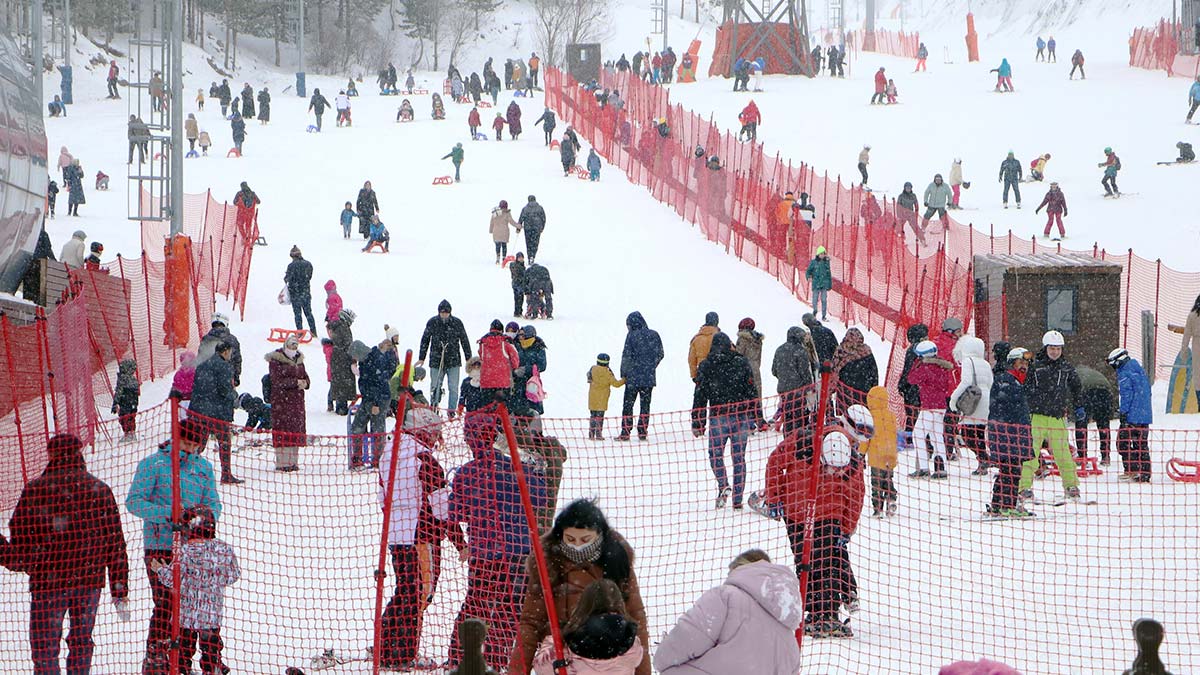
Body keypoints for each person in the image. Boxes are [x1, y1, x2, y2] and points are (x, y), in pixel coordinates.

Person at [8, 434, 130, 675]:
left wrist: (26, 556)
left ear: (51, 455)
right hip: (89, 580)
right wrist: (119, 587)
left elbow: (19, 540)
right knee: (82, 640)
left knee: (45, 646)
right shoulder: (99, 489)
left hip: (47, 581)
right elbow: (115, 541)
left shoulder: (35, 490)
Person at [447, 416, 547, 669]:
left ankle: (459, 656)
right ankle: (496, 658)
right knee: (508, 607)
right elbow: (540, 499)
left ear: (469, 440)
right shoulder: (517, 467)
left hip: (484, 552)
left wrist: (465, 540)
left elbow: (454, 514)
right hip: (517, 551)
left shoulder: (466, 473)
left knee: (476, 604)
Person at [511, 499, 650, 674]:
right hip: (563, 659)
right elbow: (531, 623)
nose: (577, 546)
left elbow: (636, 616)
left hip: (610, 657)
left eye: (585, 539)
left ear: (599, 534)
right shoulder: (547, 564)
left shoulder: (616, 561)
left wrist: (643, 672)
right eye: (570, 539)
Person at [126, 418, 222, 669]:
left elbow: (214, 503)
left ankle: (186, 657)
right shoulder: (153, 464)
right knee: (166, 601)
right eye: (185, 443)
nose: (190, 450)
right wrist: (168, 514)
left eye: (194, 445)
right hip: (160, 544)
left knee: (193, 603)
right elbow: (134, 501)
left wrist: (201, 518)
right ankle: (157, 652)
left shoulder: (203, 468)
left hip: (195, 548)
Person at [759, 426, 864, 638]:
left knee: (827, 561)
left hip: (829, 514)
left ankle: (828, 612)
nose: (833, 473)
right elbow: (775, 464)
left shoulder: (853, 462)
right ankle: (813, 611)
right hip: (797, 512)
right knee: (804, 561)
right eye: (829, 468)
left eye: (838, 470)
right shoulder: (802, 442)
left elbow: (855, 496)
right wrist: (773, 498)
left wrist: (846, 528)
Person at [654, 549, 800, 674]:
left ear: (739, 570)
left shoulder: (726, 597)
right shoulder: (789, 639)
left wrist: (661, 662)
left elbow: (686, 638)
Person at [152, 504, 239, 675]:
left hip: (187, 615)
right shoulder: (224, 549)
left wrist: (160, 569)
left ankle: (182, 669)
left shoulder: (185, 551)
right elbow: (233, 575)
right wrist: (216, 580)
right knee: (211, 645)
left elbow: (172, 579)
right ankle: (212, 666)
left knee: (184, 647)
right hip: (212, 613)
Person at [1020, 330, 1083, 503]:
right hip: (1037, 416)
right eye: (1052, 348)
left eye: (1058, 348)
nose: (1055, 352)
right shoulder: (1036, 366)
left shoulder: (1066, 368)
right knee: (1030, 454)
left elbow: (1076, 388)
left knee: (1063, 454)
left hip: (1057, 417)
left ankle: (1071, 485)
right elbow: (1025, 388)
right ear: (1045, 348)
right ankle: (1024, 487)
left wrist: (1079, 406)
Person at [697, 332, 758, 509]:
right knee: (739, 457)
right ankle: (737, 499)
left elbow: (700, 394)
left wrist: (698, 421)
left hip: (718, 415)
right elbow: (751, 390)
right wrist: (756, 416)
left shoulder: (707, 365)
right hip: (741, 415)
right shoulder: (741, 362)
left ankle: (723, 484)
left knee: (715, 454)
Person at [531, 579, 643, 675]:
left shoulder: (569, 642)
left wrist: (551, 642)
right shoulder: (631, 641)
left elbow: (541, 667)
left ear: (584, 604)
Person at [987, 346, 1035, 516]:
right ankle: (1007, 505)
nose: (1024, 366)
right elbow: (1006, 410)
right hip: (1007, 435)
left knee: (1009, 469)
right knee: (1011, 470)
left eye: (1026, 363)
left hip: (1014, 435)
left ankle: (998, 504)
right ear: (1011, 363)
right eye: (1020, 362)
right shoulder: (1006, 381)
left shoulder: (1016, 381)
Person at [190, 339, 243, 485]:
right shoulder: (224, 366)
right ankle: (226, 474)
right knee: (224, 441)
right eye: (230, 352)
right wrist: (235, 397)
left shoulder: (202, 363)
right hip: (217, 412)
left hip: (199, 410)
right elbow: (224, 389)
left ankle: (185, 469)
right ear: (225, 351)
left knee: (199, 443)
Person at [350, 328, 397, 469]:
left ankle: (377, 462)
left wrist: (376, 404)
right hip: (367, 399)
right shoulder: (366, 361)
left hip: (379, 400)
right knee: (357, 427)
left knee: (377, 430)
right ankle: (357, 459)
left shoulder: (375, 360)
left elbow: (379, 383)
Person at [417, 300, 473, 414]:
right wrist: (422, 357)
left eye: (446, 313)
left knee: (453, 387)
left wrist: (469, 358)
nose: (444, 315)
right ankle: (434, 407)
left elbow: (464, 340)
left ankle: (451, 410)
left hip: (453, 361)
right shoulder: (432, 322)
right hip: (436, 360)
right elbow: (425, 340)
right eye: (442, 312)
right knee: (435, 386)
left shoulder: (457, 323)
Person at [907, 340, 951, 479]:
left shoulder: (925, 368)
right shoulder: (942, 367)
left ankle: (924, 467)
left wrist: (916, 365)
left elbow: (911, 379)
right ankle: (940, 467)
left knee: (917, 435)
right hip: (941, 406)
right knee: (936, 436)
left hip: (929, 406)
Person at [1107, 348, 1153, 482]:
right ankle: (1144, 472)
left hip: (1132, 416)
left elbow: (1126, 395)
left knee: (1123, 444)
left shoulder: (1125, 373)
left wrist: (1123, 413)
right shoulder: (1140, 371)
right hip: (1144, 416)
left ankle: (1132, 470)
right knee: (1141, 445)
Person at [951, 336, 994, 475]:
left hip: (973, 399)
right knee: (980, 433)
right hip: (986, 399)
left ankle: (983, 458)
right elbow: (990, 383)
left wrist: (954, 398)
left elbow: (966, 382)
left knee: (966, 433)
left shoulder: (967, 362)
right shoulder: (986, 363)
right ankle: (983, 461)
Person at [617, 311, 663, 441]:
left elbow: (626, 356)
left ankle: (626, 431)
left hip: (632, 378)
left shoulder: (631, 336)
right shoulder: (654, 335)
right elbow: (660, 353)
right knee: (645, 405)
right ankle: (642, 431)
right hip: (648, 378)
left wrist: (624, 373)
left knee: (628, 405)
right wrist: (651, 366)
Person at [266, 334, 309, 471]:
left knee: (295, 430)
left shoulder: (300, 360)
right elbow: (276, 381)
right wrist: (295, 383)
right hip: (282, 402)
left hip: (296, 403)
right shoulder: (276, 360)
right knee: (283, 430)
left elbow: (306, 377)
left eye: (295, 346)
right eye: (291, 346)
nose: (293, 348)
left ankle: (293, 462)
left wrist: (305, 383)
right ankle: (283, 463)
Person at [772, 326, 817, 437]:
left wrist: (784, 378)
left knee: (787, 418)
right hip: (798, 391)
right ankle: (798, 442)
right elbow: (805, 372)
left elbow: (773, 370)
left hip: (783, 391)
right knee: (800, 418)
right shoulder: (800, 351)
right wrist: (810, 388)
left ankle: (787, 442)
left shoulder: (779, 349)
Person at [862, 386, 899, 516]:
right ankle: (891, 498)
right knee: (888, 478)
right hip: (890, 453)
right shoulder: (891, 415)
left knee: (876, 482)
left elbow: (866, 438)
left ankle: (877, 508)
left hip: (876, 455)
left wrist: (861, 453)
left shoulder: (870, 417)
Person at [688, 312, 721, 436]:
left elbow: (691, 360)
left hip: (702, 373)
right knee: (716, 400)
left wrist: (694, 375)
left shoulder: (697, 338)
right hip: (718, 372)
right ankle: (716, 425)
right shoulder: (720, 337)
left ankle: (698, 425)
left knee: (699, 401)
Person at [1074, 363, 1114, 465]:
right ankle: (1106, 456)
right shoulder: (1095, 373)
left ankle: (1082, 456)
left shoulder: (1074, 374)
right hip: (1104, 392)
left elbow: (1072, 393)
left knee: (1081, 425)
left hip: (1087, 392)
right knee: (1103, 425)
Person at [832, 327, 878, 410]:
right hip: (863, 392)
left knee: (846, 418)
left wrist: (832, 387)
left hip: (845, 392)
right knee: (862, 417)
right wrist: (873, 387)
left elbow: (834, 370)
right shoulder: (866, 351)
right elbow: (874, 371)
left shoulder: (841, 350)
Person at [477, 320, 521, 401]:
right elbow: (515, 360)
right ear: (501, 330)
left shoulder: (483, 342)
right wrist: (514, 368)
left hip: (486, 381)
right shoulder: (506, 342)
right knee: (501, 408)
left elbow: (481, 357)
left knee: (487, 408)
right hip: (503, 381)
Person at [735, 318, 767, 428]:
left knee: (745, 395)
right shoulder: (758, 339)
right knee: (756, 394)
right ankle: (759, 418)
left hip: (745, 368)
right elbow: (759, 357)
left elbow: (739, 354)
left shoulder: (742, 339)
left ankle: (747, 421)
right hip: (755, 368)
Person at [587, 354, 624, 440]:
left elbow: (588, 376)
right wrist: (624, 380)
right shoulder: (608, 373)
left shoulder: (593, 369)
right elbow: (616, 384)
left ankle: (591, 434)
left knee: (593, 415)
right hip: (602, 399)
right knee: (600, 417)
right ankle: (599, 434)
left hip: (592, 397)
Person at [285, 245, 318, 335]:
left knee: (297, 314)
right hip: (306, 293)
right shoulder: (308, 264)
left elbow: (287, 279)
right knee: (308, 313)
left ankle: (300, 332)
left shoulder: (291, 266)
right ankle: (313, 331)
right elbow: (309, 277)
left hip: (295, 294)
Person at [112, 358, 141, 443]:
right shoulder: (134, 380)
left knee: (124, 418)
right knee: (131, 418)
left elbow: (119, 391)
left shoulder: (122, 379)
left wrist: (115, 403)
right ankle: (132, 433)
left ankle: (127, 433)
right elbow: (136, 393)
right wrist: (135, 404)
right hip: (133, 403)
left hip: (125, 402)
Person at [1181, 293, 1200, 411]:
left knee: (1197, 374)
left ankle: (1199, 400)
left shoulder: (1192, 315)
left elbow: (1187, 334)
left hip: (1197, 344)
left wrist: (1184, 350)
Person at [805, 246, 832, 320]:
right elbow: (808, 271)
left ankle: (824, 315)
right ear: (818, 254)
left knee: (824, 299)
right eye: (821, 254)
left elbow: (828, 274)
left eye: (823, 254)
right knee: (815, 298)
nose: (822, 255)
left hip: (824, 284)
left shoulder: (826, 263)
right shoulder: (813, 262)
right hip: (816, 283)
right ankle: (815, 310)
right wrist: (809, 277)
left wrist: (829, 284)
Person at [518, 195, 546, 263]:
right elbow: (543, 218)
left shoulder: (525, 208)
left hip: (528, 228)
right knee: (535, 243)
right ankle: (533, 256)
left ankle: (529, 256)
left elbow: (521, 218)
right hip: (537, 228)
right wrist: (542, 227)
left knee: (528, 243)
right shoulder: (540, 208)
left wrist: (518, 227)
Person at [510, 252, 527, 317]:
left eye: (522, 257)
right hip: (517, 284)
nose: (521, 259)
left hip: (519, 284)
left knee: (520, 298)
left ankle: (519, 311)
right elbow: (518, 275)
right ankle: (517, 312)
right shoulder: (516, 265)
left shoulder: (521, 265)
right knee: (518, 298)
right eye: (519, 258)